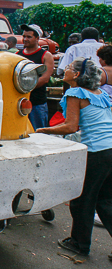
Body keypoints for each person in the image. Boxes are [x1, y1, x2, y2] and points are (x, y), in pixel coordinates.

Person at [36, 58, 112, 257]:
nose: (65, 70)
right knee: (105, 201)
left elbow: (70, 126)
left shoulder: (74, 93)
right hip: (110, 148)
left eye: (69, 68)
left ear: (77, 75)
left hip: (97, 153)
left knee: (82, 200)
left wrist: (43, 130)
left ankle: (79, 244)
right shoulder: (101, 93)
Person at [17, 24, 54, 130]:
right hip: (19, 102)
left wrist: (24, 88)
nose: (25, 39)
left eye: (29, 37)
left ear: (37, 38)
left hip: (37, 103)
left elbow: (45, 78)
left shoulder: (46, 55)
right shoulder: (18, 54)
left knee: (38, 132)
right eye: (24, 36)